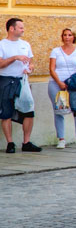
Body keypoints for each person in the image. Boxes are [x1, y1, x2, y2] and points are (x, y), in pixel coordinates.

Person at [0, 17, 39, 153]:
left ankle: (26, 142)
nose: (23, 30)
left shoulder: (25, 44)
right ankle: (10, 143)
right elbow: (0, 64)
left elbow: (31, 62)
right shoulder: (2, 44)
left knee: (29, 110)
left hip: (22, 81)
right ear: (12, 29)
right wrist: (15, 57)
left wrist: (30, 68)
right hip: (6, 80)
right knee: (6, 113)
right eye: (21, 27)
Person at [48, 28, 76, 149]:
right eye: (65, 35)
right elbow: (52, 69)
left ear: (73, 37)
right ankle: (61, 139)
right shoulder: (56, 51)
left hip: (73, 85)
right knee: (60, 110)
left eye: (69, 35)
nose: (67, 37)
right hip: (57, 84)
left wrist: (72, 82)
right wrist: (59, 82)